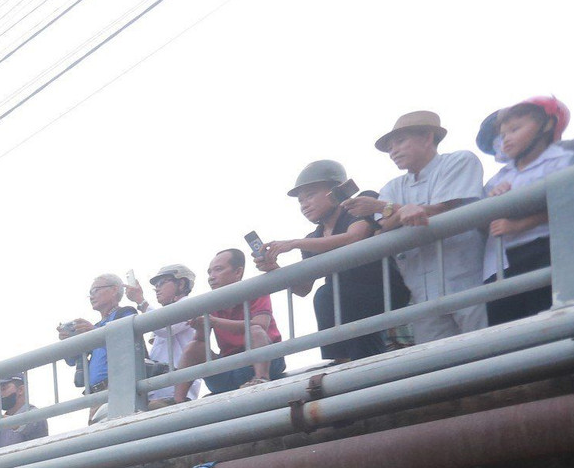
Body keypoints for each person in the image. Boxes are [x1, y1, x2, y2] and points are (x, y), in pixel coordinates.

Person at [346, 111, 487, 343]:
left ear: (427, 137)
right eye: (390, 147)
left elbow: (445, 208)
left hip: (468, 279)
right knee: (437, 367)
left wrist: (387, 207)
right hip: (421, 291)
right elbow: (382, 227)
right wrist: (399, 210)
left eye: (400, 141)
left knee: (487, 353)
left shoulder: (460, 160)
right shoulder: (393, 186)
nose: (393, 152)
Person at [259, 161, 400, 364]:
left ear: (336, 190)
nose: (304, 204)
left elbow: (355, 237)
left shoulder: (360, 203)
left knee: (329, 295)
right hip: (348, 305)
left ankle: (360, 367)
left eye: (310, 195)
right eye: (300, 201)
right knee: (326, 296)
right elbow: (303, 288)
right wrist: (275, 268)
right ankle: (341, 362)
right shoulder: (313, 238)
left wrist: (295, 243)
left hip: (383, 291)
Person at [481, 96, 574, 326]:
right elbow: (481, 224)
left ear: (547, 125)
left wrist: (520, 224)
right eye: (503, 135)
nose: (506, 139)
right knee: (506, 335)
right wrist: (495, 203)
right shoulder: (497, 180)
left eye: (515, 129)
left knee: (548, 327)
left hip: (546, 255)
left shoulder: (564, 163)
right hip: (501, 266)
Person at [201, 249, 284, 392]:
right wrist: (198, 326)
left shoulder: (254, 290)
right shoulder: (209, 303)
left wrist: (214, 321)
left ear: (238, 272)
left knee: (255, 330)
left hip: (266, 361)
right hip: (231, 367)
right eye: (209, 272)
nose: (211, 277)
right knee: (194, 347)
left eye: (218, 269)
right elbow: (200, 342)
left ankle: (261, 378)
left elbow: (261, 324)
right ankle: (178, 399)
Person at [57, 273, 139, 408]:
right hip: (96, 396)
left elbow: (125, 346)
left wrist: (94, 332)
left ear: (114, 290)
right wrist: (68, 341)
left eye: (95, 290)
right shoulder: (96, 326)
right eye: (90, 293)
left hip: (121, 389)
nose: (92, 296)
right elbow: (72, 361)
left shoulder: (125, 313)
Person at [136, 264, 207, 405]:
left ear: (181, 284)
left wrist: (141, 302)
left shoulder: (189, 304)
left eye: (162, 283)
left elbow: (164, 329)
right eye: (155, 285)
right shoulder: (164, 313)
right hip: (160, 390)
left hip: (176, 392)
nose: (157, 288)